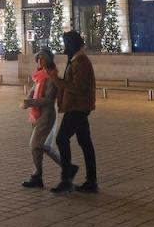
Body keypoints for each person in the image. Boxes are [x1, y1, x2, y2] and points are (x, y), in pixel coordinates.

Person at [51, 30, 97, 194]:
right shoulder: (75, 60)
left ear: (72, 44)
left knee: (62, 138)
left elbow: (76, 88)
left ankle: (67, 177)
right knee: (85, 143)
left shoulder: (81, 62)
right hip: (77, 106)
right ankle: (91, 181)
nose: (64, 47)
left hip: (78, 107)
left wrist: (56, 79)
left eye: (66, 43)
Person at [20, 49, 61, 188]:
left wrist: (29, 103)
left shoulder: (51, 77)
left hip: (46, 115)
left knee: (35, 145)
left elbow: (49, 99)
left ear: (49, 60)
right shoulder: (39, 76)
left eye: (42, 58)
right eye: (38, 59)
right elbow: (33, 92)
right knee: (41, 147)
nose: (40, 61)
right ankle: (39, 176)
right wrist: (28, 99)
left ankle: (39, 174)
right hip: (35, 114)